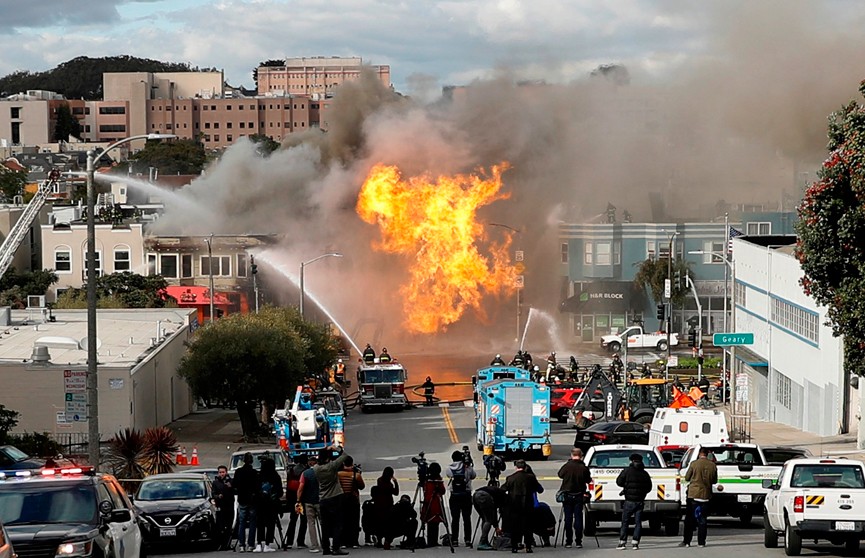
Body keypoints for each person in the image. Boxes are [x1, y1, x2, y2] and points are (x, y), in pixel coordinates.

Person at [314, 448, 351, 555]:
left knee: (325, 525)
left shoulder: (316, 468)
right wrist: (337, 448)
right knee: (337, 524)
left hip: (323, 498)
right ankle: (336, 547)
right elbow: (345, 455)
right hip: (335, 496)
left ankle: (326, 548)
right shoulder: (332, 466)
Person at [680, 448, 718, 548]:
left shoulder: (694, 464)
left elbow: (687, 478)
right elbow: (714, 481)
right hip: (706, 495)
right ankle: (701, 542)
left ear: (699, 454)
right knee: (703, 520)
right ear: (707, 454)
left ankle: (687, 541)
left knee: (689, 519)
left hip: (693, 494)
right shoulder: (712, 465)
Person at [501, 459, 541, 553]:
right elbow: (540, 489)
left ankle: (515, 546)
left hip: (514, 505)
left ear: (516, 467)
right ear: (525, 467)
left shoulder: (510, 478)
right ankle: (528, 546)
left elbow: (503, 489)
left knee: (515, 526)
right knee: (528, 526)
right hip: (528, 505)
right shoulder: (530, 477)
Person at [615, 453, 653, 550]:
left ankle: (622, 542)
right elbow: (649, 488)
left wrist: (626, 487)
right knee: (638, 522)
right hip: (640, 501)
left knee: (625, 522)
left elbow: (619, 482)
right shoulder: (644, 473)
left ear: (631, 461)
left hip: (629, 501)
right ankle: (635, 543)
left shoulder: (627, 471)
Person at [557, 448, 591, 548]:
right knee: (578, 518)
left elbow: (560, 475)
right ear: (581, 456)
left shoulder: (567, 466)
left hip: (567, 495)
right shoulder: (583, 468)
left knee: (568, 519)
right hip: (579, 495)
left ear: (572, 455)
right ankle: (578, 541)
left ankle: (568, 541)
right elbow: (588, 480)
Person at [446, 450, 477, 547]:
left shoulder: (449, 468)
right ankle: (467, 540)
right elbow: (473, 476)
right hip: (466, 495)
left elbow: (449, 476)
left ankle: (454, 540)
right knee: (467, 518)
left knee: (455, 519)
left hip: (454, 495)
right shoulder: (467, 468)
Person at [233, 452, 261, 552]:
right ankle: (250, 544)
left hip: (242, 498)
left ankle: (241, 544)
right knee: (253, 522)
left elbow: (234, 484)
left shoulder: (238, 472)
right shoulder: (254, 473)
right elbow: (258, 487)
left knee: (242, 522)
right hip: (252, 500)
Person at [256, 457, 285, 552]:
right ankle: (267, 544)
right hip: (271, 504)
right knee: (270, 524)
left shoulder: (259, 476)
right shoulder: (275, 476)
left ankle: (259, 544)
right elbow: (280, 492)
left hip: (260, 503)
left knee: (260, 523)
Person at [337, 456, 366, 549]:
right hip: (353, 500)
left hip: (341, 500)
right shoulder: (356, 475)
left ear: (343, 463)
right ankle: (354, 542)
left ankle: (343, 542)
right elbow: (362, 486)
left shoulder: (338, 474)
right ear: (352, 463)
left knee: (342, 521)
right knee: (354, 521)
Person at [298, 454, 322, 553]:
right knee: (323, 522)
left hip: (308, 501)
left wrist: (298, 500)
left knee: (311, 523)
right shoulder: (321, 472)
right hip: (320, 500)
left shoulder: (305, 473)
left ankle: (315, 545)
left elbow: (300, 489)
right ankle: (326, 543)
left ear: (309, 463)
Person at [420, 462, 447, 548]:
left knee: (430, 522)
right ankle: (433, 541)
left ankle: (431, 541)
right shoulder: (437, 480)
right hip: (436, 504)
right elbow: (442, 491)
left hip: (428, 503)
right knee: (435, 522)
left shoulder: (427, 480)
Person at [472, 484, 507, 550]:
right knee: (488, 520)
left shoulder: (498, 492)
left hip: (475, 495)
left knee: (484, 519)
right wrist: (497, 527)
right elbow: (494, 512)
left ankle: (485, 541)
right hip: (485, 496)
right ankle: (482, 542)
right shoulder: (503, 498)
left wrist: (496, 527)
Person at [285, 456, 309, 549]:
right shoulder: (306, 471)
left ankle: (289, 541)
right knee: (303, 520)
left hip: (292, 499)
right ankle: (300, 541)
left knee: (293, 520)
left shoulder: (291, 471)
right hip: (302, 498)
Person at [373, 467, 399, 547]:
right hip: (388, 505)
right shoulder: (389, 485)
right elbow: (396, 493)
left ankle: (379, 540)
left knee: (379, 523)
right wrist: (395, 482)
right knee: (388, 524)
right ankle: (387, 541)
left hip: (379, 505)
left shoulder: (379, 481)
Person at [212, 465, 235, 550]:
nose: (221, 474)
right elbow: (213, 494)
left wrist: (231, 487)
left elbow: (235, 491)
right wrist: (218, 496)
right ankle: (220, 544)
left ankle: (227, 544)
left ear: (226, 472)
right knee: (220, 526)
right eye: (220, 472)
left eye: (223, 472)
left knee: (229, 527)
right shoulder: (215, 482)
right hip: (220, 507)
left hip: (229, 506)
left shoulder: (231, 481)